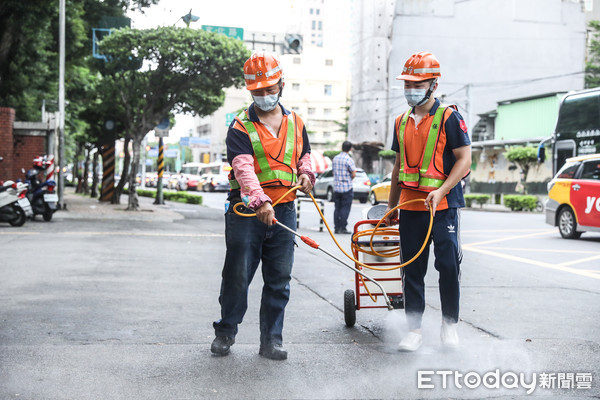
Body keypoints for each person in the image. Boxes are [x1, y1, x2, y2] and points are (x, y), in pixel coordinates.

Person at [211, 53, 315, 360]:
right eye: (259, 91)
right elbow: (243, 170)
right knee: (238, 275)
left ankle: (272, 340)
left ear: (282, 85)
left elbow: (304, 155)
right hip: (247, 211)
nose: (266, 95)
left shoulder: (296, 122)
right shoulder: (240, 126)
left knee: (280, 278)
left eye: (270, 89)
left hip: (284, 210)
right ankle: (226, 332)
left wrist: (306, 174)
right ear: (250, 91)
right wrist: (260, 201)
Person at [384, 52, 471, 352]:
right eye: (408, 83)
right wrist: (390, 208)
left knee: (447, 265)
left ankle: (449, 325)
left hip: (443, 207)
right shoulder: (400, 121)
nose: (411, 88)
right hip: (409, 207)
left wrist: (443, 190)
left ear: (433, 84)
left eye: (418, 83)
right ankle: (414, 330)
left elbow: (464, 160)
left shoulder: (450, 118)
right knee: (412, 268)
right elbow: (397, 168)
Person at [332, 141, 356, 234]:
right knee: (345, 208)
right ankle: (343, 227)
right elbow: (353, 173)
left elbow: (333, 172)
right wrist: (349, 179)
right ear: (350, 149)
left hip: (337, 188)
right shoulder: (348, 159)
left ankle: (336, 227)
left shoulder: (335, 158)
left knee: (337, 208)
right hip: (347, 188)